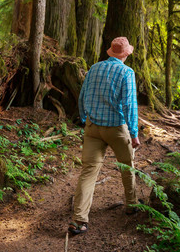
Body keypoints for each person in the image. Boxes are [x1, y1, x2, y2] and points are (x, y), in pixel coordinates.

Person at [68, 36, 140, 235]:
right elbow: (129, 105)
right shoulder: (127, 72)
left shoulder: (94, 68)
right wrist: (134, 134)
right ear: (125, 54)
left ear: (111, 52)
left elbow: (83, 95)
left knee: (88, 172)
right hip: (116, 128)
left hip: (93, 127)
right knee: (127, 166)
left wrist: (85, 118)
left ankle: (79, 220)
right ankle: (132, 205)